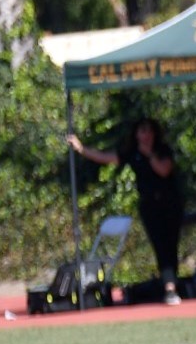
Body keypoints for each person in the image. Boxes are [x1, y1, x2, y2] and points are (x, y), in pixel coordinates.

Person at [67, 118, 185, 305]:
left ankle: (172, 285)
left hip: (170, 204)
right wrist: (81, 149)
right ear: (136, 134)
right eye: (141, 131)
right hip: (149, 207)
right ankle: (170, 288)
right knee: (160, 246)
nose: (145, 135)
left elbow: (164, 170)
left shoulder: (162, 150)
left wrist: (150, 155)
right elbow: (106, 158)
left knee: (171, 245)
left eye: (148, 131)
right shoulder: (132, 153)